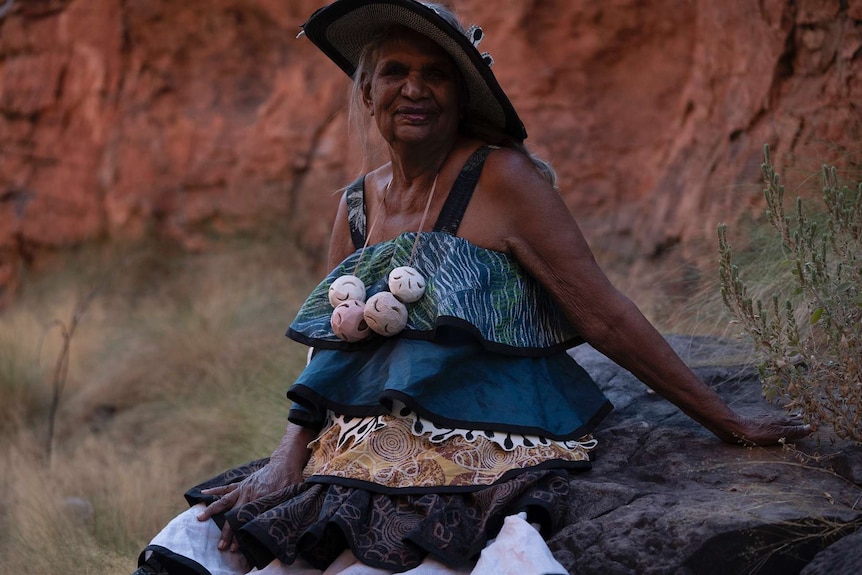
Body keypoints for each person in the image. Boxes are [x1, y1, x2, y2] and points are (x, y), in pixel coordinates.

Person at [133, 1, 811, 574]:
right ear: (366, 92)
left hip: (490, 438)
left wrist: (727, 421)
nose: (415, 88)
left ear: (462, 95)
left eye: (437, 75)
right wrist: (288, 457)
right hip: (366, 441)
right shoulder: (356, 205)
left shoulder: (505, 179)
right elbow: (327, 353)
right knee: (216, 542)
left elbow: (603, 315)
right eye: (395, 72)